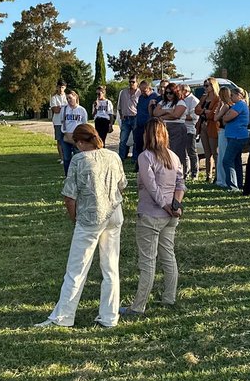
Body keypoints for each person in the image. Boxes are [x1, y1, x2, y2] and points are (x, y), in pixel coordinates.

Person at [38, 123, 126, 328]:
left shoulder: (79, 160)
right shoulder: (113, 156)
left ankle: (63, 316)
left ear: (80, 142)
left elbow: (69, 196)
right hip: (114, 214)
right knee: (111, 268)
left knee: (76, 269)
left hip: (89, 218)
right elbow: (122, 185)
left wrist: (74, 219)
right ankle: (110, 316)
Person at [123, 118, 186, 319]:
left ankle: (138, 306)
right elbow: (180, 184)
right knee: (168, 256)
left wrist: (165, 205)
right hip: (170, 216)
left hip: (151, 214)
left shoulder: (145, 157)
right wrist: (175, 205)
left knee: (147, 262)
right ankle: (169, 297)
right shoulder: (174, 157)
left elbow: (151, 187)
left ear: (148, 135)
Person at [153, 84, 189, 174]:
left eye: (171, 93)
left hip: (177, 128)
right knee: (164, 150)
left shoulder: (181, 103)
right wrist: (167, 111)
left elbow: (176, 115)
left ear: (176, 93)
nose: (169, 95)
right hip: (163, 128)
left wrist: (163, 116)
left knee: (175, 151)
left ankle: (178, 172)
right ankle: (166, 171)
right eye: (167, 93)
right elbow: (155, 113)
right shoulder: (162, 102)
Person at [220, 87, 250, 191]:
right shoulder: (238, 105)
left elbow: (226, 118)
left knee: (227, 160)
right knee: (236, 160)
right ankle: (239, 184)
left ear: (239, 95)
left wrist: (226, 115)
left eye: (232, 95)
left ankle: (232, 186)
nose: (230, 97)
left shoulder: (240, 105)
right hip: (234, 135)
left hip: (237, 136)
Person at [60, 90, 89, 174]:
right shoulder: (64, 109)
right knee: (66, 158)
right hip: (66, 136)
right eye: (67, 98)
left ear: (75, 97)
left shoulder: (82, 110)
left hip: (78, 138)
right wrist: (65, 133)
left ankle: (79, 175)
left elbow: (85, 124)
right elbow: (62, 122)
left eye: (70, 98)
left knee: (79, 157)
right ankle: (67, 176)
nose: (68, 100)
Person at [132, 80, 159, 168]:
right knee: (138, 145)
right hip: (139, 125)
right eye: (141, 90)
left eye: (145, 90)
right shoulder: (141, 97)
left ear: (149, 88)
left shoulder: (155, 97)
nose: (143, 92)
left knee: (148, 146)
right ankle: (139, 164)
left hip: (148, 126)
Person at [199, 78, 221, 182]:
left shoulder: (217, 98)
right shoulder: (204, 98)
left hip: (212, 127)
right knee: (207, 153)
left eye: (207, 85)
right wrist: (205, 111)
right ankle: (208, 175)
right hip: (203, 126)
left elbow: (213, 114)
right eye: (204, 85)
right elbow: (196, 109)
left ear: (213, 86)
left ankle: (217, 175)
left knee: (215, 152)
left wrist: (206, 112)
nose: (205, 87)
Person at [179, 83, 200, 179]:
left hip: (190, 130)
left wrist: (178, 115)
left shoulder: (193, 101)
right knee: (183, 153)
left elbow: (193, 117)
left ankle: (194, 173)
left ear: (185, 91)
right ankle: (185, 172)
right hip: (181, 129)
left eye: (179, 90)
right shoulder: (180, 100)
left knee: (191, 152)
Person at [214, 86, 234, 188]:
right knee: (222, 154)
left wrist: (218, 108)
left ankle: (222, 180)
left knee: (222, 155)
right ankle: (222, 179)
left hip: (223, 131)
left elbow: (216, 118)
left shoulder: (225, 106)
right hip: (225, 131)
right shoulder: (231, 105)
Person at [117, 77, 139, 160]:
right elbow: (119, 106)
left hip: (135, 117)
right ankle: (121, 158)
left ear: (137, 83)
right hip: (125, 118)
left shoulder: (139, 93)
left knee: (136, 139)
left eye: (133, 82)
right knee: (123, 140)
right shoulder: (123, 92)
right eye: (130, 82)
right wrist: (121, 115)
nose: (131, 83)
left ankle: (135, 158)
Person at [49, 81, 68, 163]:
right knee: (59, 140)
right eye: (59, 87)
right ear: (57, 87)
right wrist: (64, 107)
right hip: (57, 122)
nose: (61, 89)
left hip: (67, 121)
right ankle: (62, 158)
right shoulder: (54, 98)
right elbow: (56, 110)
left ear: (65, 88)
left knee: (68, 139)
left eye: (62, 87)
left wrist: (60, 107)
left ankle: (67, 156)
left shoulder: (68, 97)